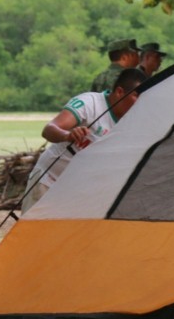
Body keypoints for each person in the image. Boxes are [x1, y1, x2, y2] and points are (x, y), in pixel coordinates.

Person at [23, 68, 146, 212]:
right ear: (119, 92)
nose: (140, 103)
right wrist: (67, 135)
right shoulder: (89, 103)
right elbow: (49, 129)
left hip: (79, 192)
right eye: (136, 96)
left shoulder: (132, 122)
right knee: (36, 234)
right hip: (48, 182)